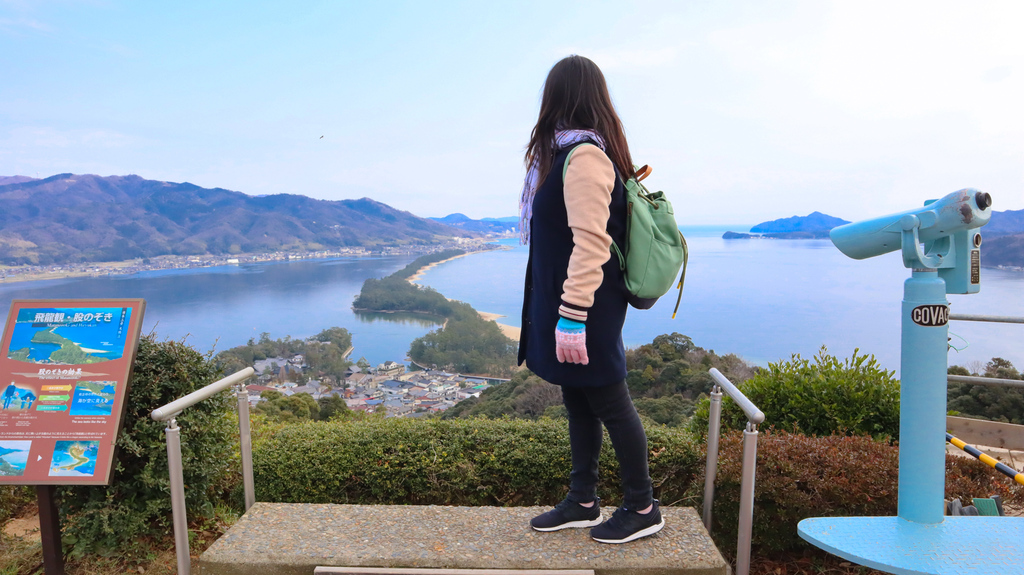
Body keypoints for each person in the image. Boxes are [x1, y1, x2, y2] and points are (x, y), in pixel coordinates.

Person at [518, 55, 663, 544]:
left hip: (586, 308)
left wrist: (572, 315)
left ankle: (643, 507)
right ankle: (583, 500)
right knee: (577, 399)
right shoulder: (568, 154)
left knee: (609, 401)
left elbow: (592, 243)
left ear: (558, 98)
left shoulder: (584, 157)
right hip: (573, 306)